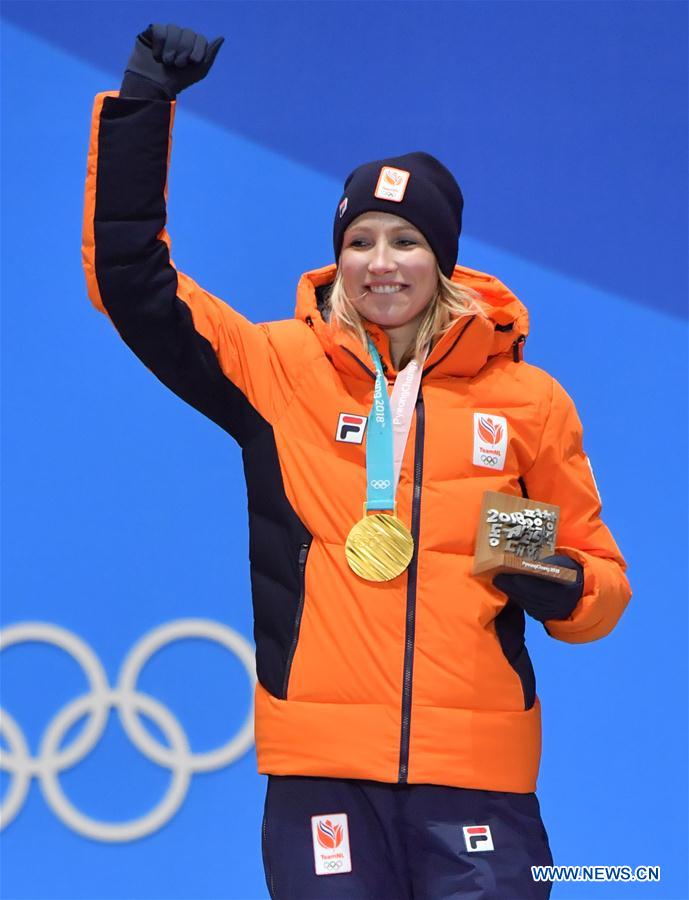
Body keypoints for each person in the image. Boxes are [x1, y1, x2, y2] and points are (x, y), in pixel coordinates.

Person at [81, 23, 632, 900]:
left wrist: (561, 584)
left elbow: (597, 585)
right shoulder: (279, 369)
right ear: (336, 256)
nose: (380, 263)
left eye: (405, 241)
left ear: (442, 258)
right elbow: (134, 286)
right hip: (322, 773)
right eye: (359, 240)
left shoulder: (525, 402)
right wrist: (145, 104)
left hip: (477, 773)